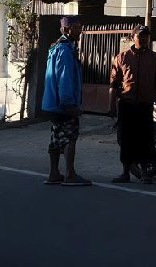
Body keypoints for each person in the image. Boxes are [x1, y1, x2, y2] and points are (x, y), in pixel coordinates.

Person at [108, 25, 156, 183]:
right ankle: (125, 172)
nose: (144, 38)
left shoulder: (155, 58)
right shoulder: (122, 57)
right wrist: (111, 105)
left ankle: (146, 173)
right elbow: (114, 84)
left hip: (145, 105)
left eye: (146, 36)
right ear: (132, 37)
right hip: (127, 105)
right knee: (126, 140)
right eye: (140, 35)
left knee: (146, 140)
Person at [41, 16, 91, 186]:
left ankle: (54, 174)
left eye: (80, 27)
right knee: (70, 137)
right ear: (67, 29)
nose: (80, 31)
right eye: (76, 27)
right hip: (63, 104)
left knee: (56, 137)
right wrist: (69, 104)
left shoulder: (57, 48)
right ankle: (70, 174)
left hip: (52, 103)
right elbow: (65, 78)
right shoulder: (65, 51)